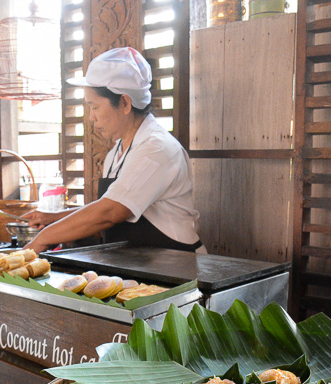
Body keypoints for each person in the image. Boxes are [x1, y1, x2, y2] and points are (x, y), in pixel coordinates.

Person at [23, 47, 204, 254]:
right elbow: (107, 204)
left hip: (176, 267)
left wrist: (43, 239)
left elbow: (110, 212)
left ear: (125, 103)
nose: (92, 117)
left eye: (95, 107)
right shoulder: (116, 153)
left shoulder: (157, 148)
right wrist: (54, 218)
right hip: (137, 267)